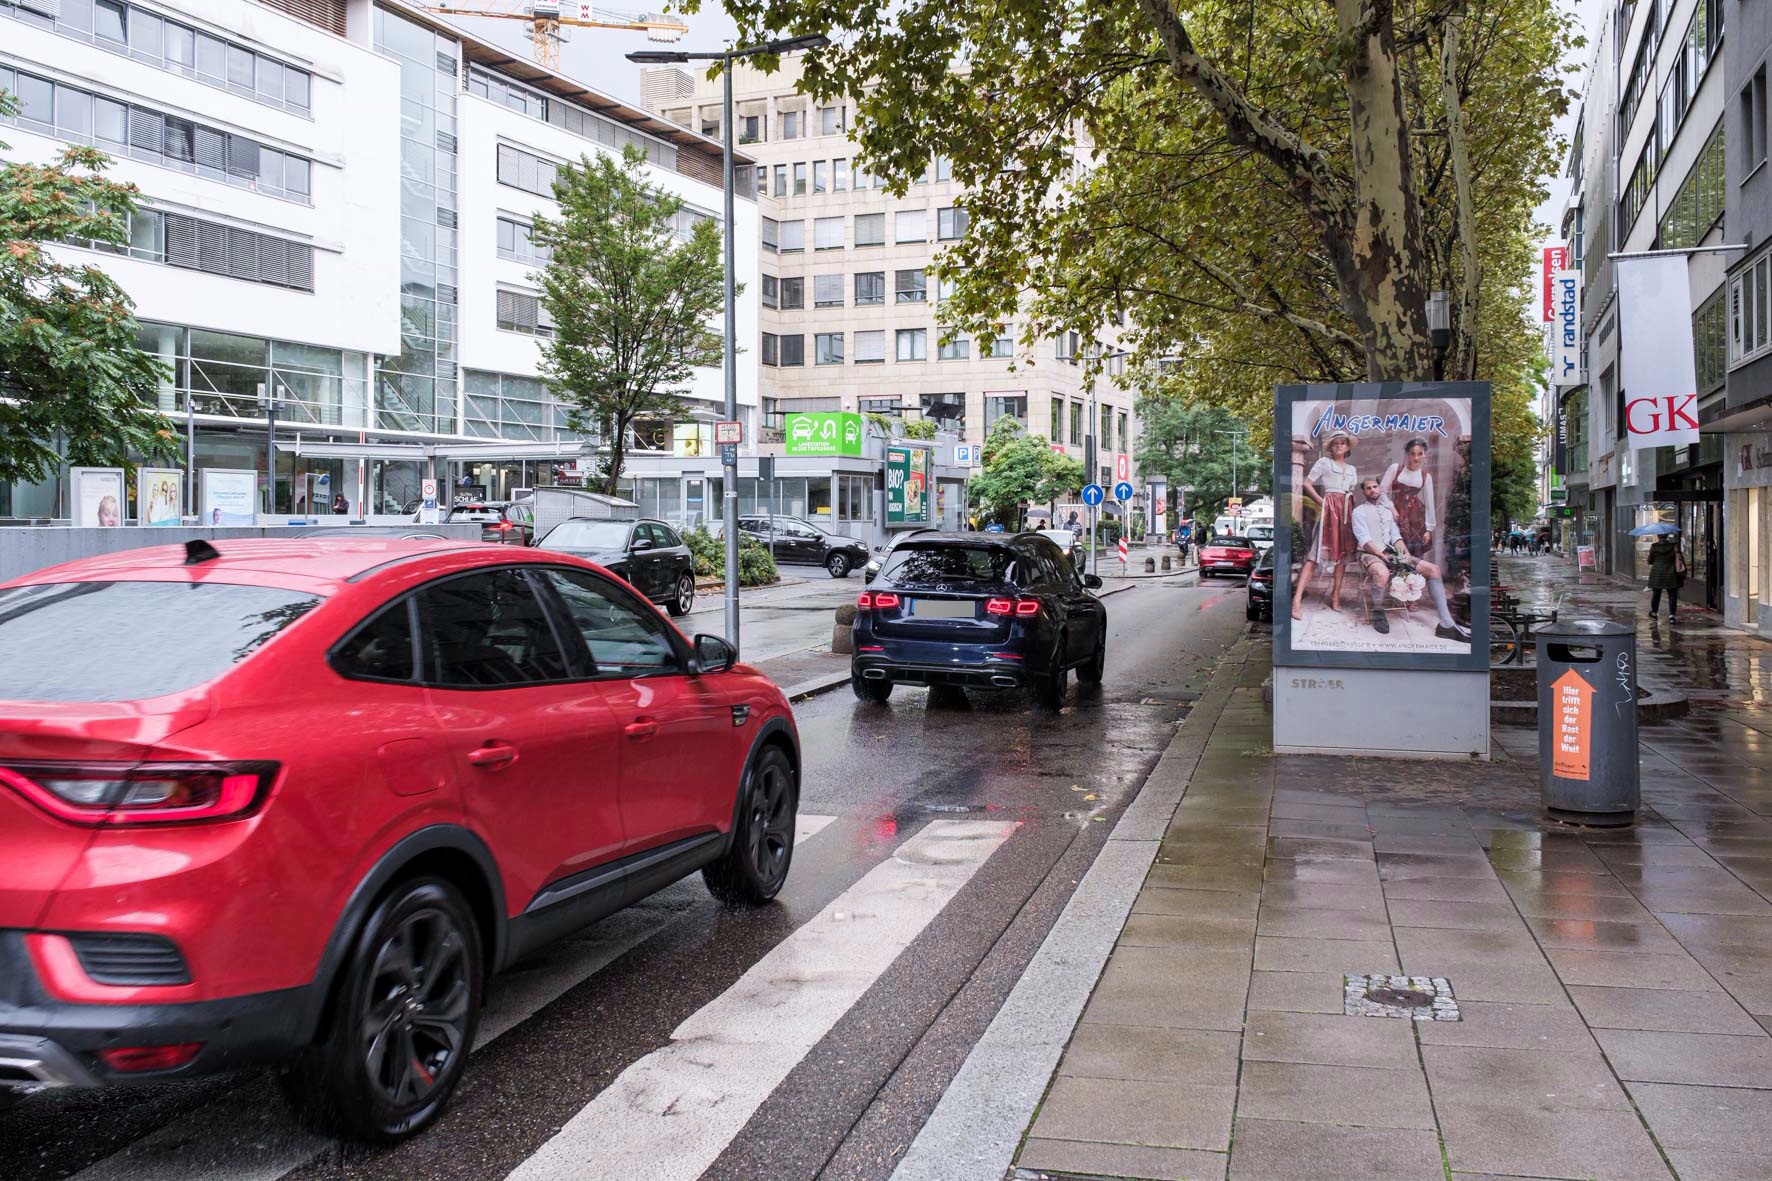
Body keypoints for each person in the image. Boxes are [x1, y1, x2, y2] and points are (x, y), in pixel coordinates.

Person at [1350, 478, 1470, 642]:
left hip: (1391, 552)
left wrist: (1404, 555)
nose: (1372, 490)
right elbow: (1364, 539)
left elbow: (1395, 537)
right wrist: (1382, 555)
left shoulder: (1387, 512)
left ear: (1380, 489)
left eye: (1375, 486)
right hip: (1369, 553)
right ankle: (1378, 611)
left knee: (1433, 570)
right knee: (1382, 574)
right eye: (1368, 488)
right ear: (1363, 491)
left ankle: (1446, 624)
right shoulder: (1359, 512)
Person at [1290, 431, 1359, 620]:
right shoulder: (1325, 463)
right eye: (1336, 443)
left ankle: (1335, 596)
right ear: (1331, 447)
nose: (1339, 445)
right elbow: (1307, 483)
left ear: (1347, 447)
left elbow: (1350, 492)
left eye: (1342, 443)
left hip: (1346, 512)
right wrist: (1322, 501)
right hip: (1330, 510)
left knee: (1342, 557)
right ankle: (1296, 600)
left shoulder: (1352, 469)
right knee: (1314, 555)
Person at [1379, 438, 1436, 557]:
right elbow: (1381, 492)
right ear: (1407, 453)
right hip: (1396, 515)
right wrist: (1392, 509)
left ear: (1424, 455)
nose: (1416, 458)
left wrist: (1429, 530)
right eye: (1412, 453)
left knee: (1415, 555)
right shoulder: (1395, 468)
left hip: (1416, 520)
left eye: (1420, 454)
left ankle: (1416, 570)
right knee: (1397, 552)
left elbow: (1430, 505)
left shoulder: (1426, 477)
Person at [1647, 531, 1684, 621]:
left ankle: (1654, 613)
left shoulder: (1654, 546)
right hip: (1671, 573)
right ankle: (1672, 616)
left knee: (1656, 593)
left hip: (1657, 573)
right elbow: (1679, 558)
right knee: (1672, 594)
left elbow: (1650, 560)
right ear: (1667, 536)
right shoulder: (1673, 546)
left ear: (1658, 536)